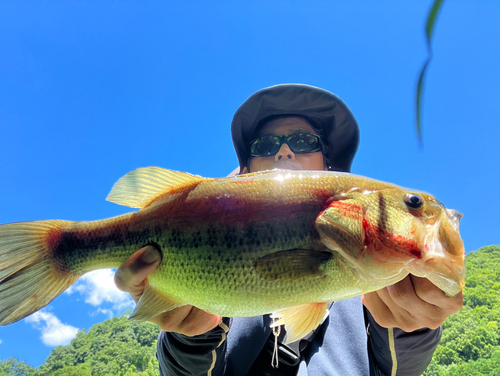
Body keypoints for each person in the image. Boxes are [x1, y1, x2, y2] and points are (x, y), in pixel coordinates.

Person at [114, 84, 463, 375]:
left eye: (304, 141)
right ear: (245, 171)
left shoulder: (371, 282)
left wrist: (412, 326)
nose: (283, 152)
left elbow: (397, 370)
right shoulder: (204, 256)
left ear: (331, 170)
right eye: (264, 146)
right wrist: (190, 336)